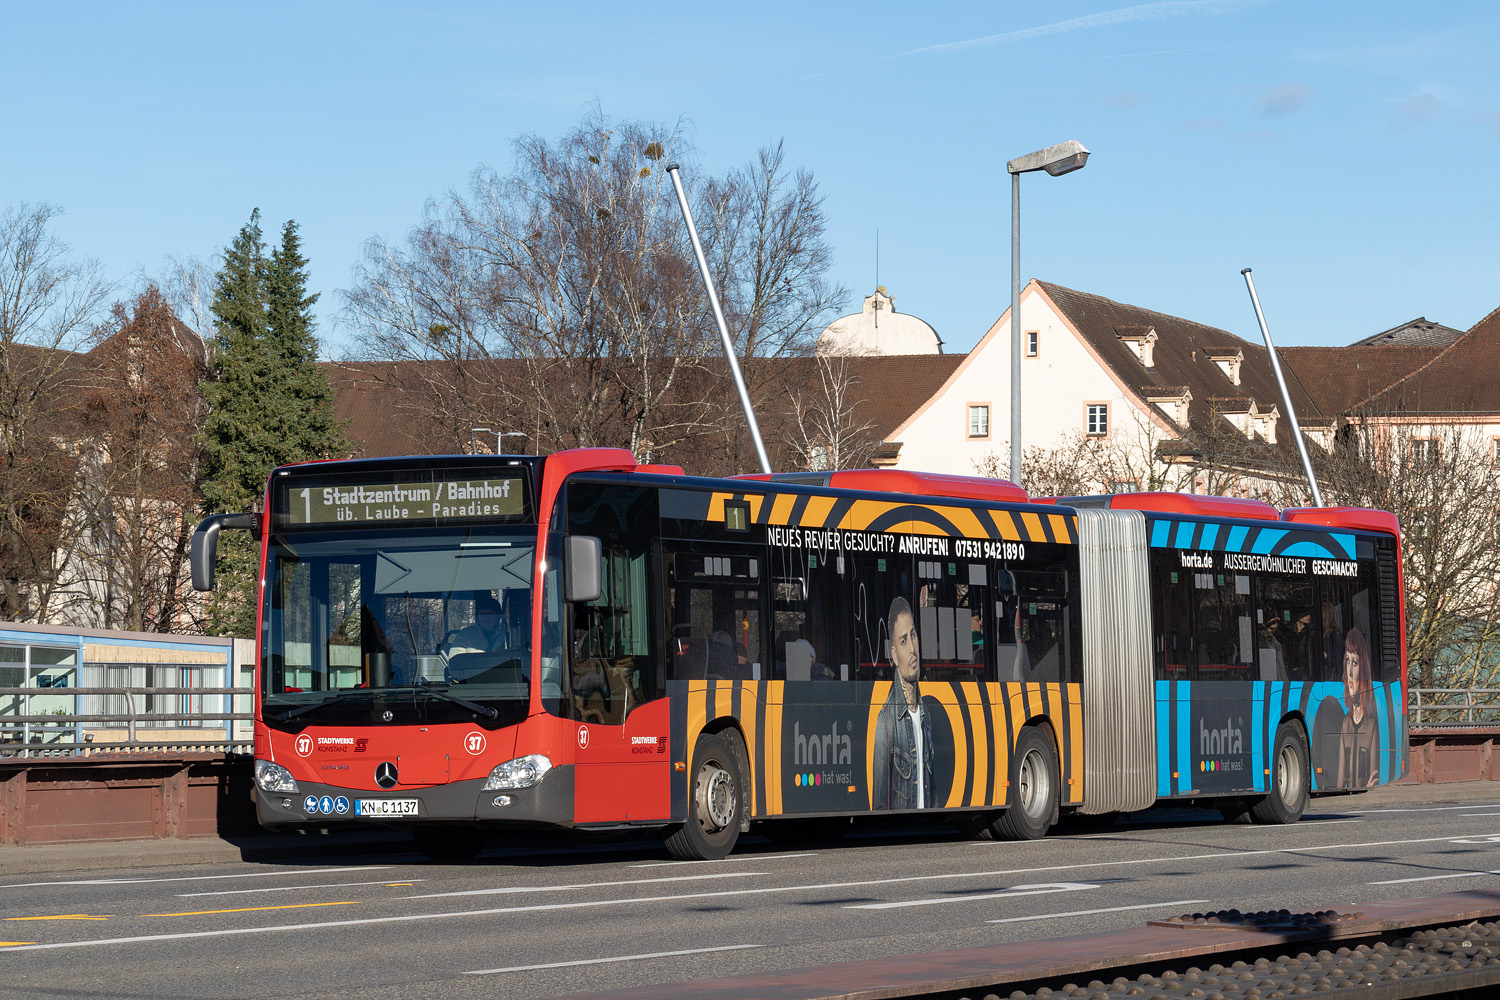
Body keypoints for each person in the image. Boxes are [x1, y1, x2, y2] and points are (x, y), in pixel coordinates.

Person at [872, 596, 934, 810]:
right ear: (894, 655)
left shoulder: (927, 714)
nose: (912, 649)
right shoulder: (887, 721)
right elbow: (880, 804)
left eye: (913, 635)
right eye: (903, 640)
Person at [1336, 626, 1380, 789]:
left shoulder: (1371, 724)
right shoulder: (1345, 723)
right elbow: (1340, 782)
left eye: (1354, 663)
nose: (1349, 672)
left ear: (1363, 670)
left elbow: (1374, 775)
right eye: (1347, 661)